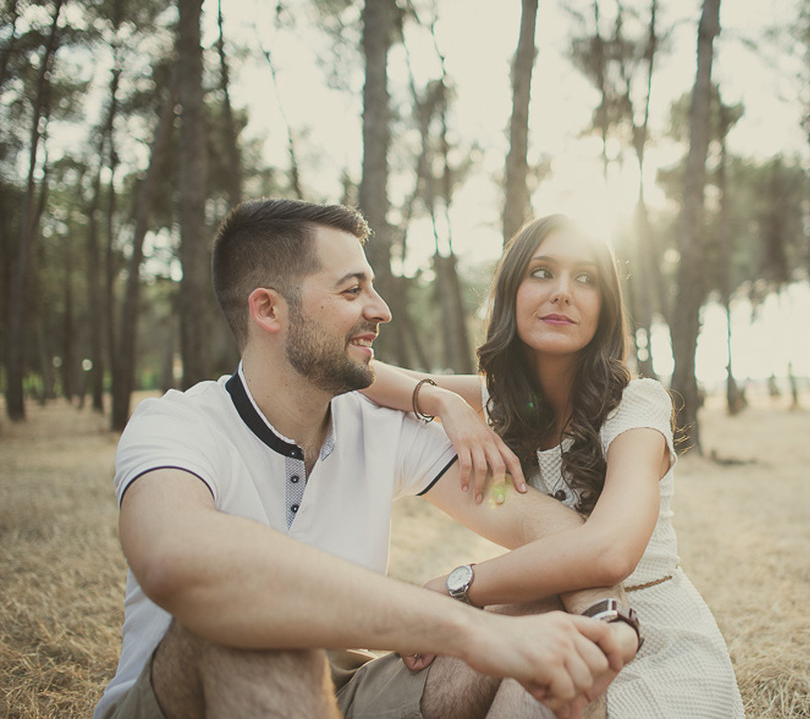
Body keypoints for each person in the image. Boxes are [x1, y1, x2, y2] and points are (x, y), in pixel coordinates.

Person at [94, 199, 640, 719]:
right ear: (268, 309)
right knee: (258, 624)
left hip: (347, 697)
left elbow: (551, 531)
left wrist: (602, 619)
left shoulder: (383, 429)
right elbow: (180, 561)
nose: (381, 310)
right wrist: (468, 629)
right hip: (191, 699)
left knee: (546, 612)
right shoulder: (177, 426)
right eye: (353, 289)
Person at [364, 214, 745, 718]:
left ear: (604, 308)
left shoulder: (635, 407)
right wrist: (444, 404)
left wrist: (455, 586)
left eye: (585, 279)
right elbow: (361, 375)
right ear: (511, 293)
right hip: (549, 621)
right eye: (542, 272)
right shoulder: (503, 401)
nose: (563, 292)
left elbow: (608, 553)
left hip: (651, 642)